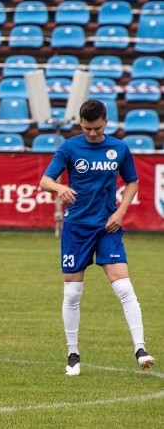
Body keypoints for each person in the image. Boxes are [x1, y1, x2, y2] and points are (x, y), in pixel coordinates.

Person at [40, 99, 155, 376]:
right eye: (87, 128)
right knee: (73, 293)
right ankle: (73, 354)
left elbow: (132, 183)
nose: (92, 133)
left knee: (124, 288)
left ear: (106, 122)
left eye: (97, 128)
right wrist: (59, 188)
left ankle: (140, 349)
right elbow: (45, 181)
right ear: (81, 123)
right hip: (77, 228)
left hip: (107, 227)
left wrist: (120, 213)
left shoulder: (119, 148)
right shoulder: (69, 148)